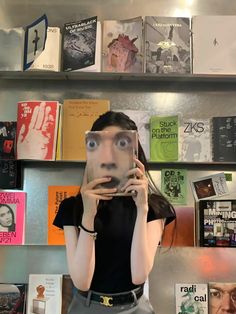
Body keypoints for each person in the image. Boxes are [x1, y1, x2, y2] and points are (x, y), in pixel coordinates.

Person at [53, 111, 176, 314]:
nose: (109, 158)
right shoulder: (72, 207)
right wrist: (88, 215)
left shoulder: (154, 207)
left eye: (120, 147)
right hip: (86, 307)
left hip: (135, 308)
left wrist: (142, 209)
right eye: (100, 148)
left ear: (134, 154)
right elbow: (82, 281)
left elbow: (138, 275)